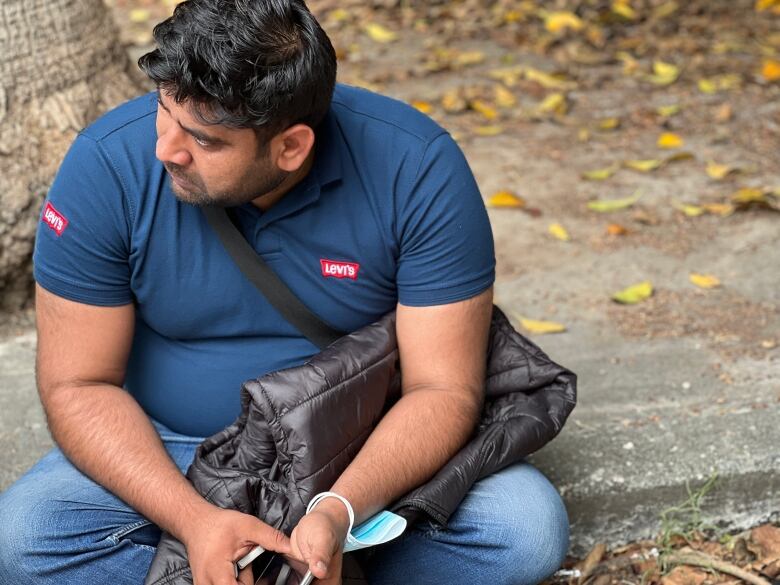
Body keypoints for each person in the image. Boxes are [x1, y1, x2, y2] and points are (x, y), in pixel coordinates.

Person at [0, 1, 569, 583]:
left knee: (522, 530)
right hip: (172, 450)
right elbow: (77, 384)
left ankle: (305, 563)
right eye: (163, 112)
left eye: (203, 139)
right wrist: (194, 521)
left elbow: (442, 388)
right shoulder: (105, 166)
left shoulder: (417, 167)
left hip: (359, 453)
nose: (165, 149)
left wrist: (339, 513)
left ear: (291, 147)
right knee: (25, 540)